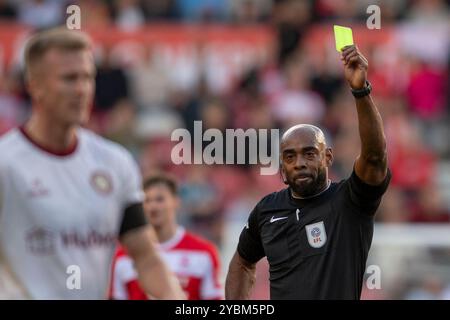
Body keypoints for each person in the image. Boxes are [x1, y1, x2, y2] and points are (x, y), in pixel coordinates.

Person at [0, 28, 184, 299]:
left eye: (88, 77)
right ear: (35, 86)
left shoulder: (115, 162)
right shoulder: (6, 164)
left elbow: (145, 256)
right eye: (69, 79)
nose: (81, 89)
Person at [225, 45, 391, 300]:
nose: (299, 162)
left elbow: (375, 157)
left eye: (310, 153)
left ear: (328, 157)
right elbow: (242, 263)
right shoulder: (267, 210)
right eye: (290, 157)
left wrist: (360, 90)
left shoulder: (350, 200)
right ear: (281, 166)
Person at [110, 174, 223, 300]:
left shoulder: (204, 252)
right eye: (147, 201)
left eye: (160, 200)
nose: (153, 206)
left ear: (176, 202)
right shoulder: (122, 257)